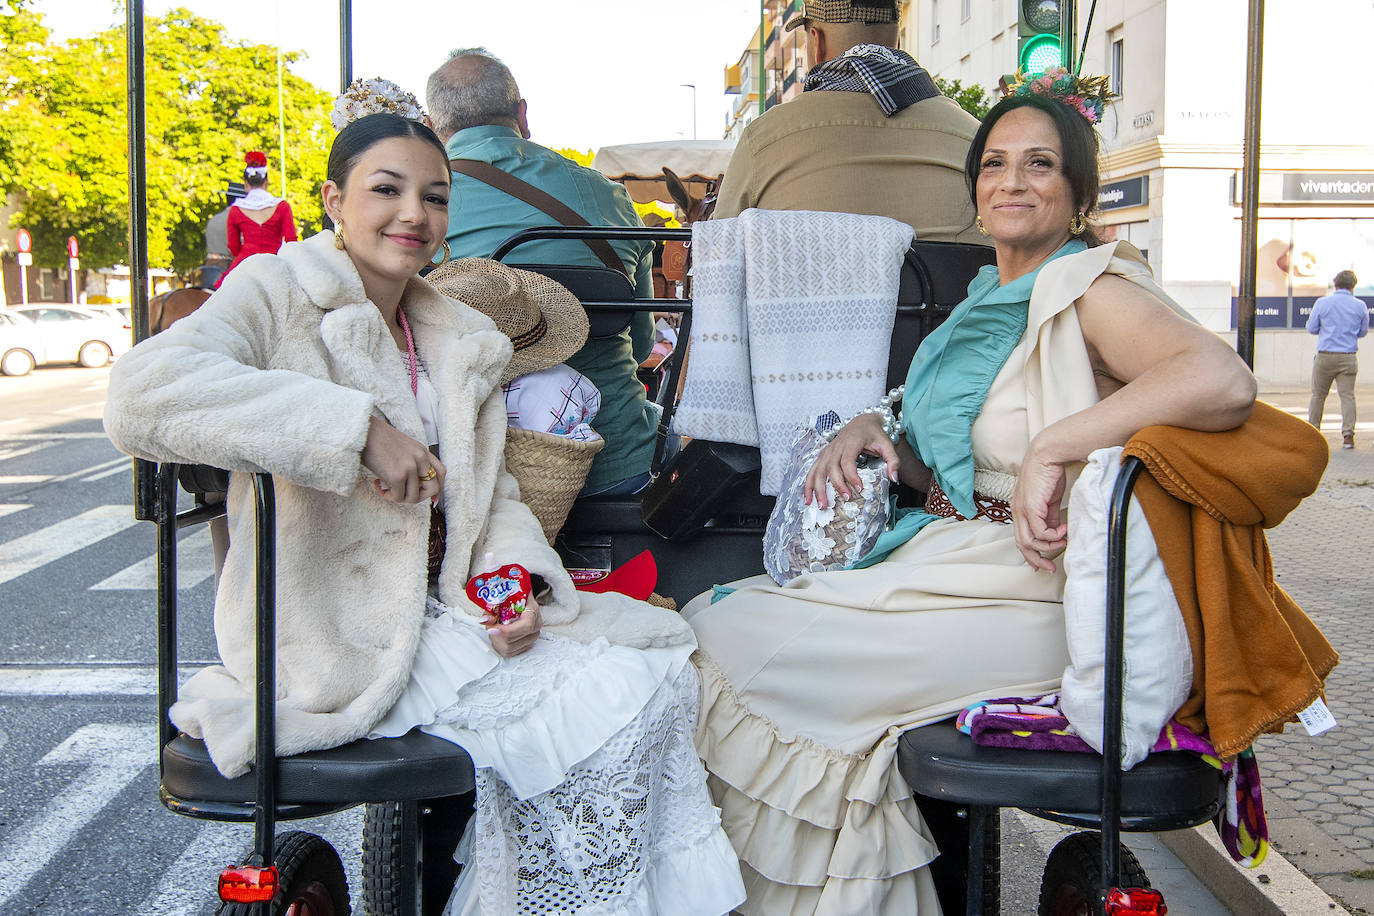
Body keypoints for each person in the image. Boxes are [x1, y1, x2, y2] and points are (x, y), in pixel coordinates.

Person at [103, 87, 744, 915]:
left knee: (659, 675)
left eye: (434, 196)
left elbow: (495, 497)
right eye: (386, 189)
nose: (414, 213)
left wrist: (518, 584)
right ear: (334, 200)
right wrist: (353, 428)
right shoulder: (273, 288)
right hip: (336, 626)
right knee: (615, 699)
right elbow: (141, 395)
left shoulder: (454, 336)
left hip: (450, 614)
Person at [684, 70, 1258, 913]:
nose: (1011, 182)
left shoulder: (1092, 288)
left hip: (1035, 588)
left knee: (729, 645)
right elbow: (964, 467)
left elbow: (1224, 379)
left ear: (1079, 195)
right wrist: (885, 443)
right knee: (717, 622)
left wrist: (1057, 449)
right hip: (960, 559)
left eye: (1039, 165)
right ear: (975, 188)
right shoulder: (986, 297)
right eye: (993, 164)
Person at [426, 48, 659, 495]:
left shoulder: (422, 210)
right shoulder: (608, 197)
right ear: (521, 114)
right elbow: (644, 340)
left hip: (477, 474)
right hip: (617, 460)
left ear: (434, 129)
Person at [711, 0, 983, 244]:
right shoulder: (977, 139)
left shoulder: (761, 140)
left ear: (817, 43)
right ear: (897, 44)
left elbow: (719, 256)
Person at [1306, 269, 1367, 449]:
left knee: (1318, 395)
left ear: (1336, 284)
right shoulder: (1360, 305)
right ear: (1352, 286)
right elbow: (1362, 332)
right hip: (1348, 357)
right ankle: (1348, 436)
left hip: (1325, 355)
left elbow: (1311, 328)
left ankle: (1313, 433)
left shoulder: (1323, 303)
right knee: (1347, 397)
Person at [218, 150, 298, 285]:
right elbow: (291, 241)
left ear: (245, 183)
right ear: (266, 181)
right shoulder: (282, 207)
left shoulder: (236, 210)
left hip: (244, 266)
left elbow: (234, 248)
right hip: (276, 263)